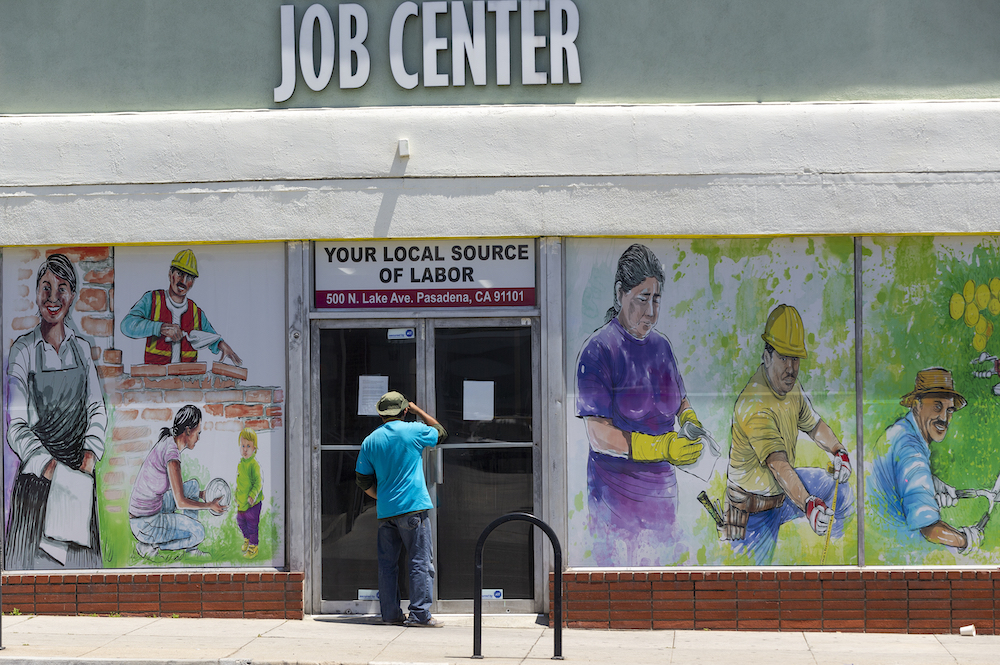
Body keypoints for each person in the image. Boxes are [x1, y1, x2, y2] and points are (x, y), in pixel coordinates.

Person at [576, 243, 704, 566]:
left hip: (663, 504)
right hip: (615, 506)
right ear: (621, 294)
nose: (650, 311)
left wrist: (689, 420)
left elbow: (680, 400)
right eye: (642, 299)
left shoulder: (662, 347)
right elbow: (598, 435)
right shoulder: (598, 351)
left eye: (656, 299)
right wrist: (660, 448)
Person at [722, 304, 855, 565]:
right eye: (784, 357)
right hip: (753, 513)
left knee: (837, 489)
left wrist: (839, 452)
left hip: (782, 496)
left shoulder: (790, 389)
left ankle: (839, 561)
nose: (791, 367)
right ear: (767, 356)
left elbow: (814, 425)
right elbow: (779, 465)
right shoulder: (754, 404)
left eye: (795, 359)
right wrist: (809, 504)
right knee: (751, 588)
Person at [5, 253, 107, 569]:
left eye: (61, 288)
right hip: (37, 486)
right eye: (46, 288)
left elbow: (97, 409)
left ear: (72, 296)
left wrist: (89, 458)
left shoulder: (82, 350)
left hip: (77, 479)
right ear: (37, 294)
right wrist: (49, 468)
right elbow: (16, 425)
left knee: (83, 578)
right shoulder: (22, 351)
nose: (53, 297)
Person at [355, 392, 447, 627]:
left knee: (388, 565)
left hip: (386, 512)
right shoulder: (414, 431)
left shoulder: (370, 441)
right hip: (413, 508)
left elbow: (363, 480)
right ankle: (420, 615)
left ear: (380, 414)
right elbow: (441, 433)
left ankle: (391, 614)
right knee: (420, 562)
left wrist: (381, 497)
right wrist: (419, 412)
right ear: (405, 411)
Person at [869, 368, 983, 552]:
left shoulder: (900, 432)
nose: (945, 418)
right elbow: (930, 530)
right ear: (917, 405)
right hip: (893, 550)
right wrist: (967, 539)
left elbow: (901, 481)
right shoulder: (911, 450)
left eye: (950, 409)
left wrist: (934, 484)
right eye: (937, 406)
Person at [129, 405, 227, 559]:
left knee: (193, 485)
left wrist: (202, 494)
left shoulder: (169, 442)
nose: (199, 438)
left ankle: (191, 549)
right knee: (199, 532)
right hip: (145, 524)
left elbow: (180, 492)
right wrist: (209, 505)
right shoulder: (172, 456)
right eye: (198, 433)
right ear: (188, 430)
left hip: (152, 509)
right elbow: (180, 502)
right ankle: (150, 545)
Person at [120, 249, 242, 366]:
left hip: (187, 382)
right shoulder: (152, 300)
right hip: (156, 380)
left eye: (189, 278)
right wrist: (160, 327)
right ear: (170, 274)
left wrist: (222, 345)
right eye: (179, 274)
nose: (183, 281)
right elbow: (127, 325)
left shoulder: (195, 312)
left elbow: (210, 337)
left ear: (192, 283)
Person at [235, 427, 264, 559]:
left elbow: (258, 482)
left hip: (253, 503)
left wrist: (253, 495)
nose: (245, 449)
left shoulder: (254, 464)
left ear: (254, 448)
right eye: (242, 445)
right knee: (240, 520)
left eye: (248, 446)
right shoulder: (241, 464)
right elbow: (240, 483)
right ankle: (247, 538)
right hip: (242, 502)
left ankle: (253, 546)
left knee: (252, 523)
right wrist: (237, 496)